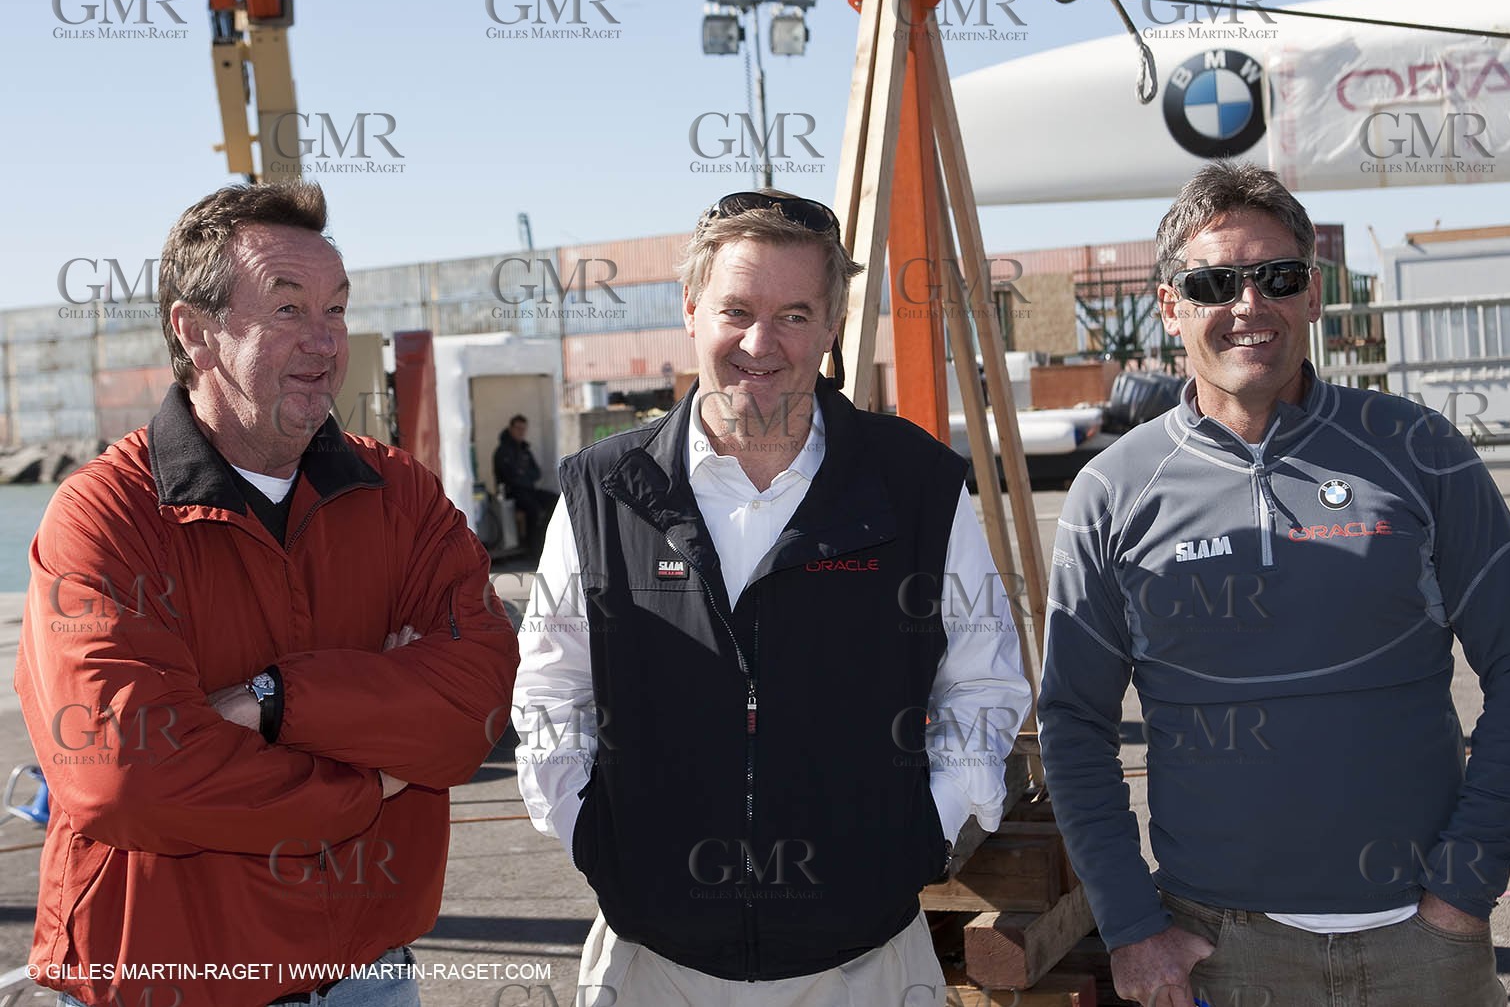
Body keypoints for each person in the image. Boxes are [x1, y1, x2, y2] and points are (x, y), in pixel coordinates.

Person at [1039, 161, 1510, 1007]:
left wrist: (1464, 889)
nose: (1249, 304)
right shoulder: (1112, 490)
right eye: (1216, 281)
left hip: (1424, 944)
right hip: (1222, 949)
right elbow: (1073, 722)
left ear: (1313, 294)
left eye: (1276, 277)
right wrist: (1133, 926)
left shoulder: (1418, 449)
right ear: (1170, 305)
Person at [513, 189, 1032, 1006]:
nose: (761, 343)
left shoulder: (918, 484)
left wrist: (926, 829)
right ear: (690, 311)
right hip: (652, 970)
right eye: (736, 310)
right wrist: (591, 837)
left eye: (795, 313)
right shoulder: (602, 491)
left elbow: (984, 681)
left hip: (866, 968)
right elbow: (550, 693)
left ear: (831, 329)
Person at [15, 182, 518, 1007]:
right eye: (288, 310)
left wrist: (271, 699)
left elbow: (478, 701)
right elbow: (124, 779)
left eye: (337, 309)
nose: (325, 341)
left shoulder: (400, 495)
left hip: (364, 979)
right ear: (194, 330)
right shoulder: (103, 515)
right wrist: (371, 770)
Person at [493, 413, 557, 556]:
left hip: (529, 490)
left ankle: (547, 543)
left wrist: (523, 475)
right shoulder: (503, 451)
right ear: (511, 429)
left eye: (524, 429)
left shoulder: (524, 450)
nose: (521, 432)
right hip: (512, 493)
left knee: (555, 500)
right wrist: (523, 476)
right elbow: (509, 477)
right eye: (518, 428)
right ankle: (534, 550)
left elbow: (536, 473)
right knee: (534, 510)